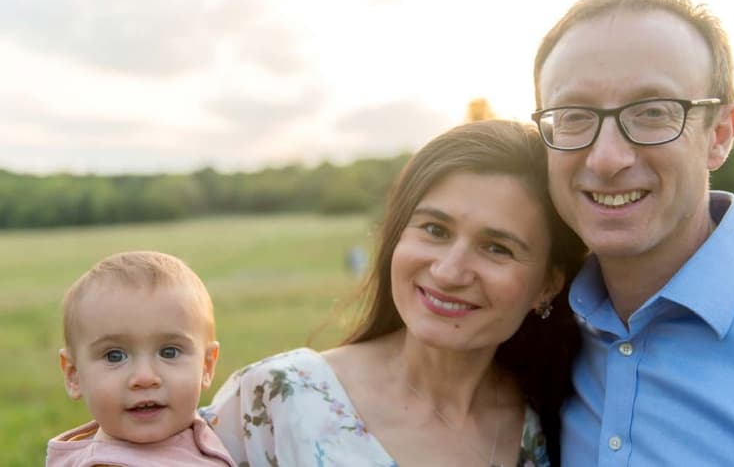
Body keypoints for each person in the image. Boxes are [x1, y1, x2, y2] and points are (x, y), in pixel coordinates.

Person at [530, 0, 734, 465]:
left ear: (720, 135)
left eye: (652, 112)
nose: (606, 158)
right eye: (575, 116)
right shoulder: (532, 325)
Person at [202, 120, 587, 466]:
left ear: (547, 285)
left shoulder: (555, 423)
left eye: (497, 248)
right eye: (435, 230)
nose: (448, 271)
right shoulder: (274, 400)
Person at [47, 251, 235, 466]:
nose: (145, 377)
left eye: (169, 352)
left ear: (206, 365)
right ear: (74, 375)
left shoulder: (199, 434)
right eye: (114, 356)